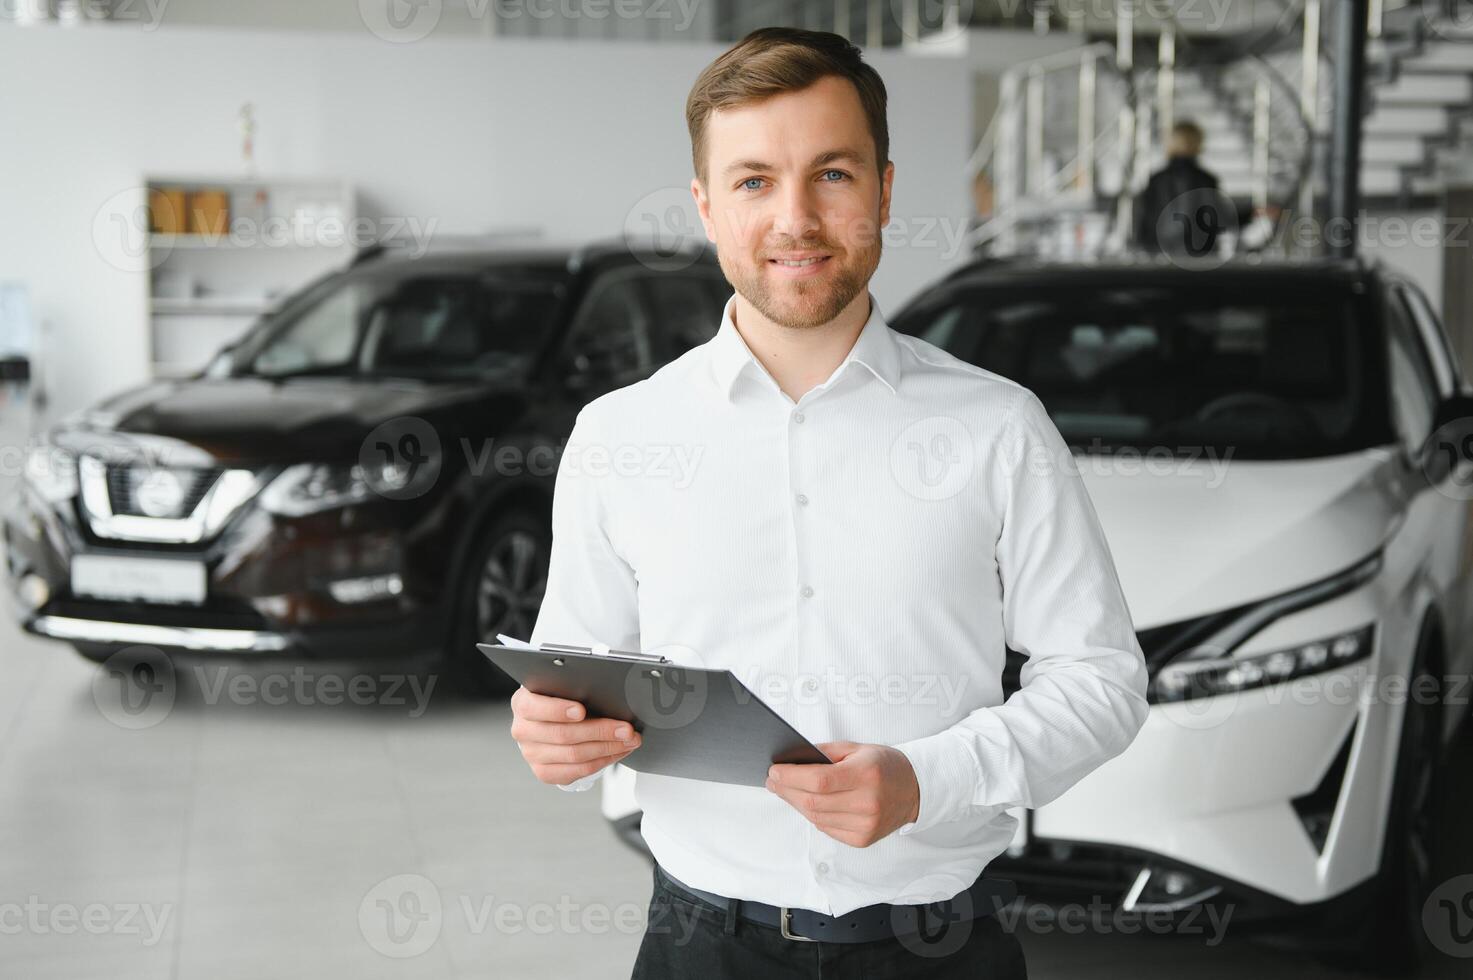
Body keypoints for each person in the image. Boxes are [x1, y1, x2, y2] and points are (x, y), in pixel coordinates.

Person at [509, 27, 1149, 979]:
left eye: (833, 174)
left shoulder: (999, 427)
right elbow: (576, 675)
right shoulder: (617, 435)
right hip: (698, 946)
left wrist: (929, 779)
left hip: (938, 947)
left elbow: (1101, 679)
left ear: (885, 189)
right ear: (706, 207)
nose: (794, 219)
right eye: (754, 180)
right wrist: (552, 733)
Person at [1133, 120, 1236, 257]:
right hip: (1199, 255)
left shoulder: (1156, 180)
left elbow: (1145, 220)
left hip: (1160, 254)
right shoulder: (1206, 180)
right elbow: (1218, 219)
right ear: (1197, 144)